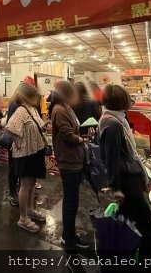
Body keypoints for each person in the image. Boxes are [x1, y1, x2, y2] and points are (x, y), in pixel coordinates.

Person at [99, 84, 151, 256]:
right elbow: (112, 159)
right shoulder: (113, 124)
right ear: (123, 101)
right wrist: (116, 187)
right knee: (148, 228)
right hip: (127, 182)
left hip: (128, 178)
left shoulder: (115, 120)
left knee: (135, 224)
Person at [50, 80, 89, 250]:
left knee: (73, 200)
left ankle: (70, 233)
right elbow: (67, 134)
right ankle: (68, 237)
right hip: (68, 160)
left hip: (74, 158)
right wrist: (81, 139)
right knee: (70, 201)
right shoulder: (59, 110)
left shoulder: (66, 107)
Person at [5, 82, 48, 233]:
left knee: (31, 183)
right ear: (26, 96)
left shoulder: (31, 109)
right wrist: (18, 142)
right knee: (26, 184)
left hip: (35, 151)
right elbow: (10, 128)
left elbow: (38, 125)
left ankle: (30, 209)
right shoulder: (21, 110)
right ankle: (23, 218)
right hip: (26, 153)